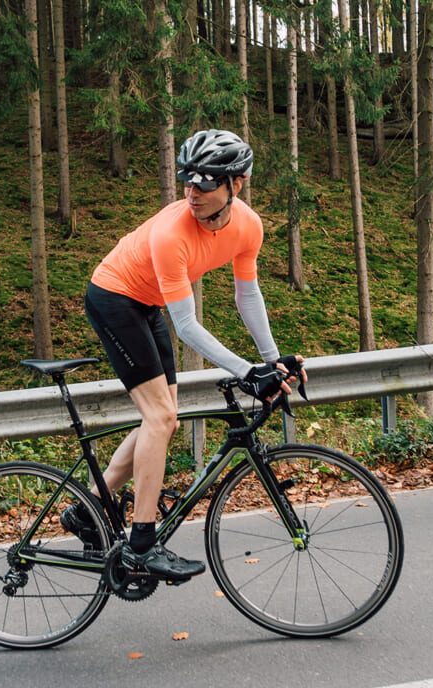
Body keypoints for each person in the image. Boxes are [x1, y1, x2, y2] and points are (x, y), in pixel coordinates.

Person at [63, 129, 302, 582]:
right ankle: (142, 542)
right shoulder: (172, 232)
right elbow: (188, 326)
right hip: (114, 297)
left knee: (165, 418)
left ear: (237, 183)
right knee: (159, 419)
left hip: (148, 303)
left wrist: (271, 361)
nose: (192, 192)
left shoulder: (249, 226)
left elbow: (247, 296)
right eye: (186, 180)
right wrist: (247, 371)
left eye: (205, 182)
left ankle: (87, 507)